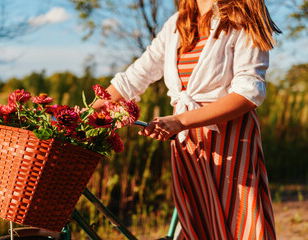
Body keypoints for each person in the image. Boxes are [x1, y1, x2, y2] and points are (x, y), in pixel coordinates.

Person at [93, 0, 281, 239]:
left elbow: (248, 93)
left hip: (230, 139)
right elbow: (135, 76)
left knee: (237, 224)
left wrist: (180, 121)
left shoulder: (242, 17)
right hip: (188, 142)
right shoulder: (177, 23)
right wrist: (88, 113)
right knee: (198, 223)